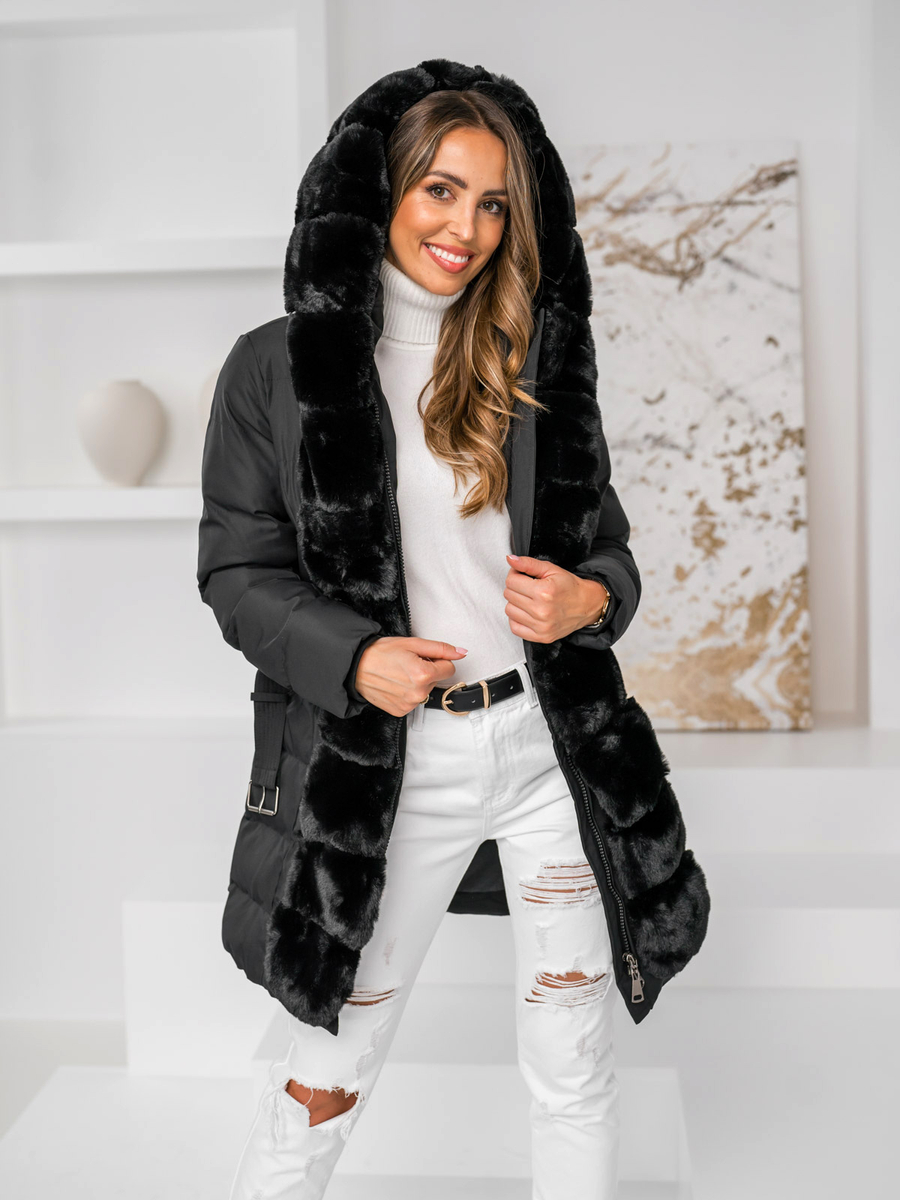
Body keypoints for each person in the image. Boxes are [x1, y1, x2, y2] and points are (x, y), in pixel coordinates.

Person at [198, 58, 710, 1200]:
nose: (464, 228)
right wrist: (355, 657)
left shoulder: (527, 359)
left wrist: (593, 600)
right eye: (440, 190)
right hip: (394, 762)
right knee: (330, 1068)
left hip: (543, 754)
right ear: (382, 190)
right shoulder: (276, 367)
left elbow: (607, 550)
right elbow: (236, 573)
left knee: (573, 1061)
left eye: (492, 204)